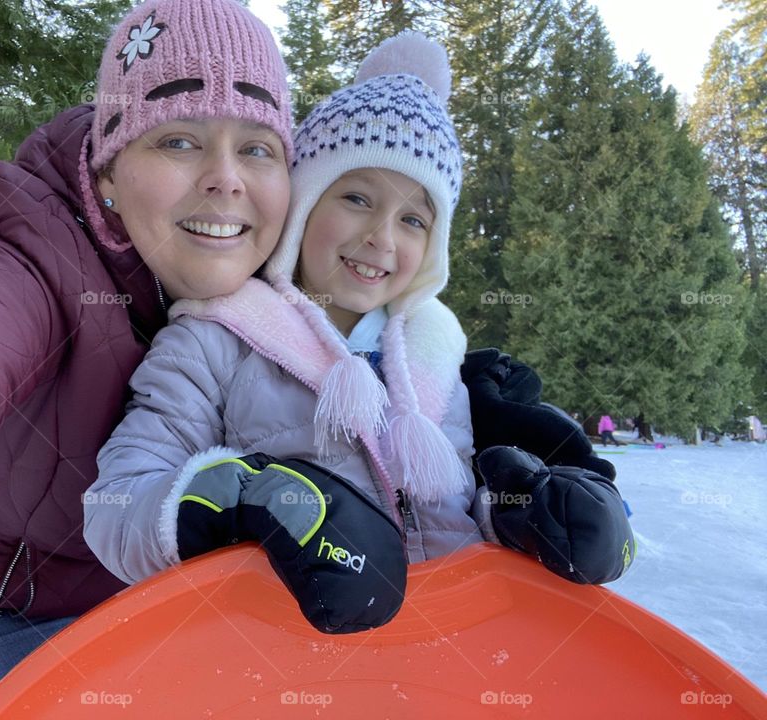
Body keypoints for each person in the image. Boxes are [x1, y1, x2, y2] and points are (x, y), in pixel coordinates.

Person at [0, 1, 294, 716]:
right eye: (179, 141)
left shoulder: (282, 298)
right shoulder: (23, 264)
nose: (227, 178)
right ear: (106, 173)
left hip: (135, 583)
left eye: (258, 148)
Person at [85, 33, 635, 637]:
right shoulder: (215, 340)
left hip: (446, 651)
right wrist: (243, 498)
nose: (383, 238)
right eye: (355, 198)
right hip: (272, 656)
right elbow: (116, 508)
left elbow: (446, 513)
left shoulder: (438, 363)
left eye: (412, 219)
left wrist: (523, 512)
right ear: (303, 207)